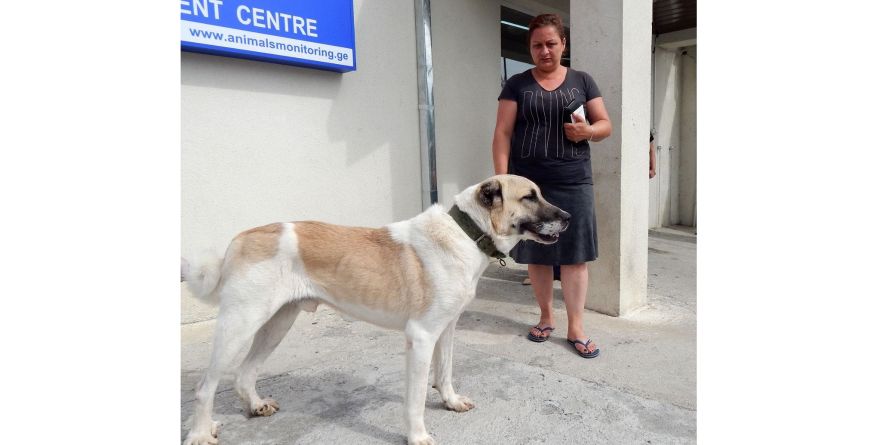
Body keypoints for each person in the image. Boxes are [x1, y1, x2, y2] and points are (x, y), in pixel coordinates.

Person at [492, 13, 611, 359]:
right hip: (528, 185)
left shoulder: (582, 81)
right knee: (538, 254)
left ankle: (576, 326)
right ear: (530, 48)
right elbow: (502, 133)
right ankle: (546, 317)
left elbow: (605, 124)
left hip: (574, 179)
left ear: (563, 45)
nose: (544, 51)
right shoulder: (516, 84)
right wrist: (503, 184)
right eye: (537, 45)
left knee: (575, 256)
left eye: (551, 43)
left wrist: (588, 131)